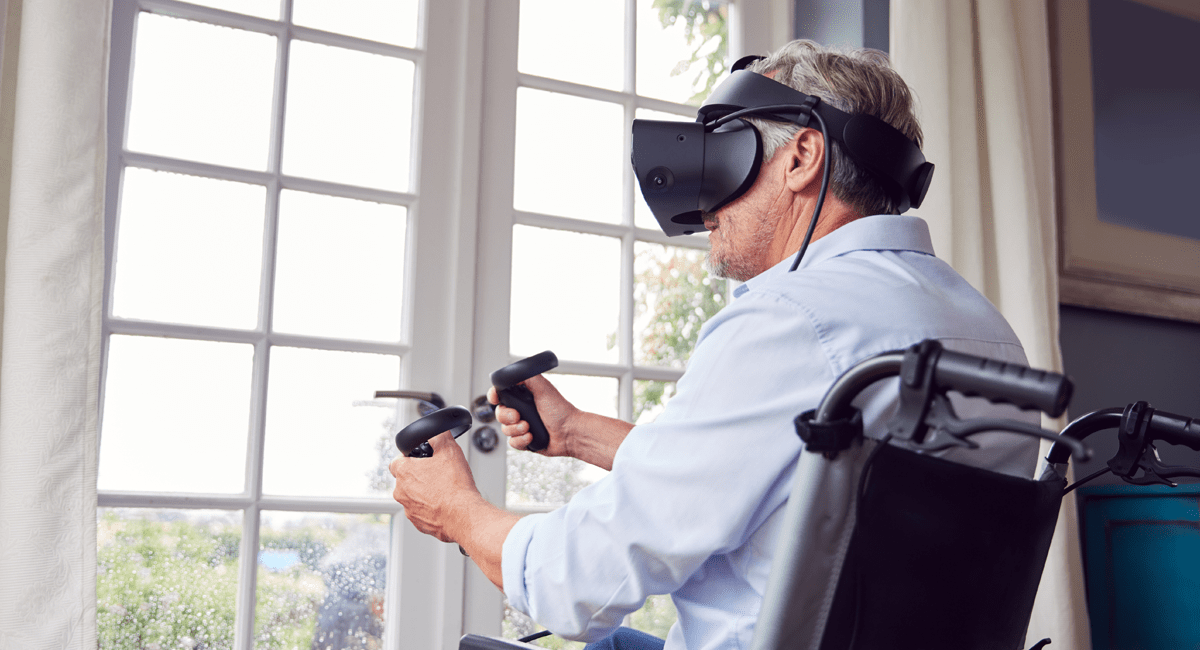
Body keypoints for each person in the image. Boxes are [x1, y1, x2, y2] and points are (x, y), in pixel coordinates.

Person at [390, 40, 1039, 650]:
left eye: (726, 147)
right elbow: (794, 481)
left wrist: (456, 509)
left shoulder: (793, 318)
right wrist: (579, 431)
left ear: (801, 157)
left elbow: (580, 581)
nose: (702, 208)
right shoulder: (988, 333)